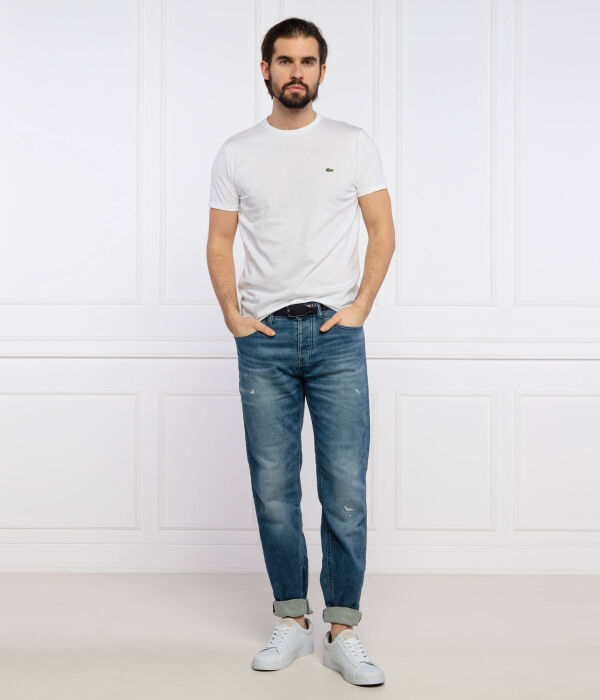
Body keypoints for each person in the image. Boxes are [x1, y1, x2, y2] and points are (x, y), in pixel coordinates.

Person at [207, 17, 395, 687]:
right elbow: (220, 240)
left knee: (345, 489)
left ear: (321, 71)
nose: (296, 71)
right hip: (264, 339)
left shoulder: (352, 143)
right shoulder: (237, 151)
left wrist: (360, 307)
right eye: (284, 60)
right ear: (265, 69)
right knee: (274, 489)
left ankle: (342, 628)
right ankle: (292, 617)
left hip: (336, 335)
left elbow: (381, 231)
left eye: (307, 61)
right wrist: (233, 315)